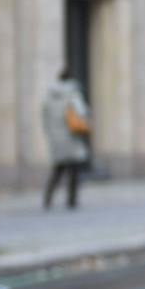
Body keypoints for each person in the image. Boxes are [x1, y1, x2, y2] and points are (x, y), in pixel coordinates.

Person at [41, 69, 90, 209]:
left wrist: (52, 134)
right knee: (74, 170)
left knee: (58, 170)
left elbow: (44, 119)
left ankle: (48, 198)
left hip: (56, 139)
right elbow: (82, 113)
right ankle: (72, 199)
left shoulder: (49, 98)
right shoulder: (73, 95)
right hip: (72, 137)